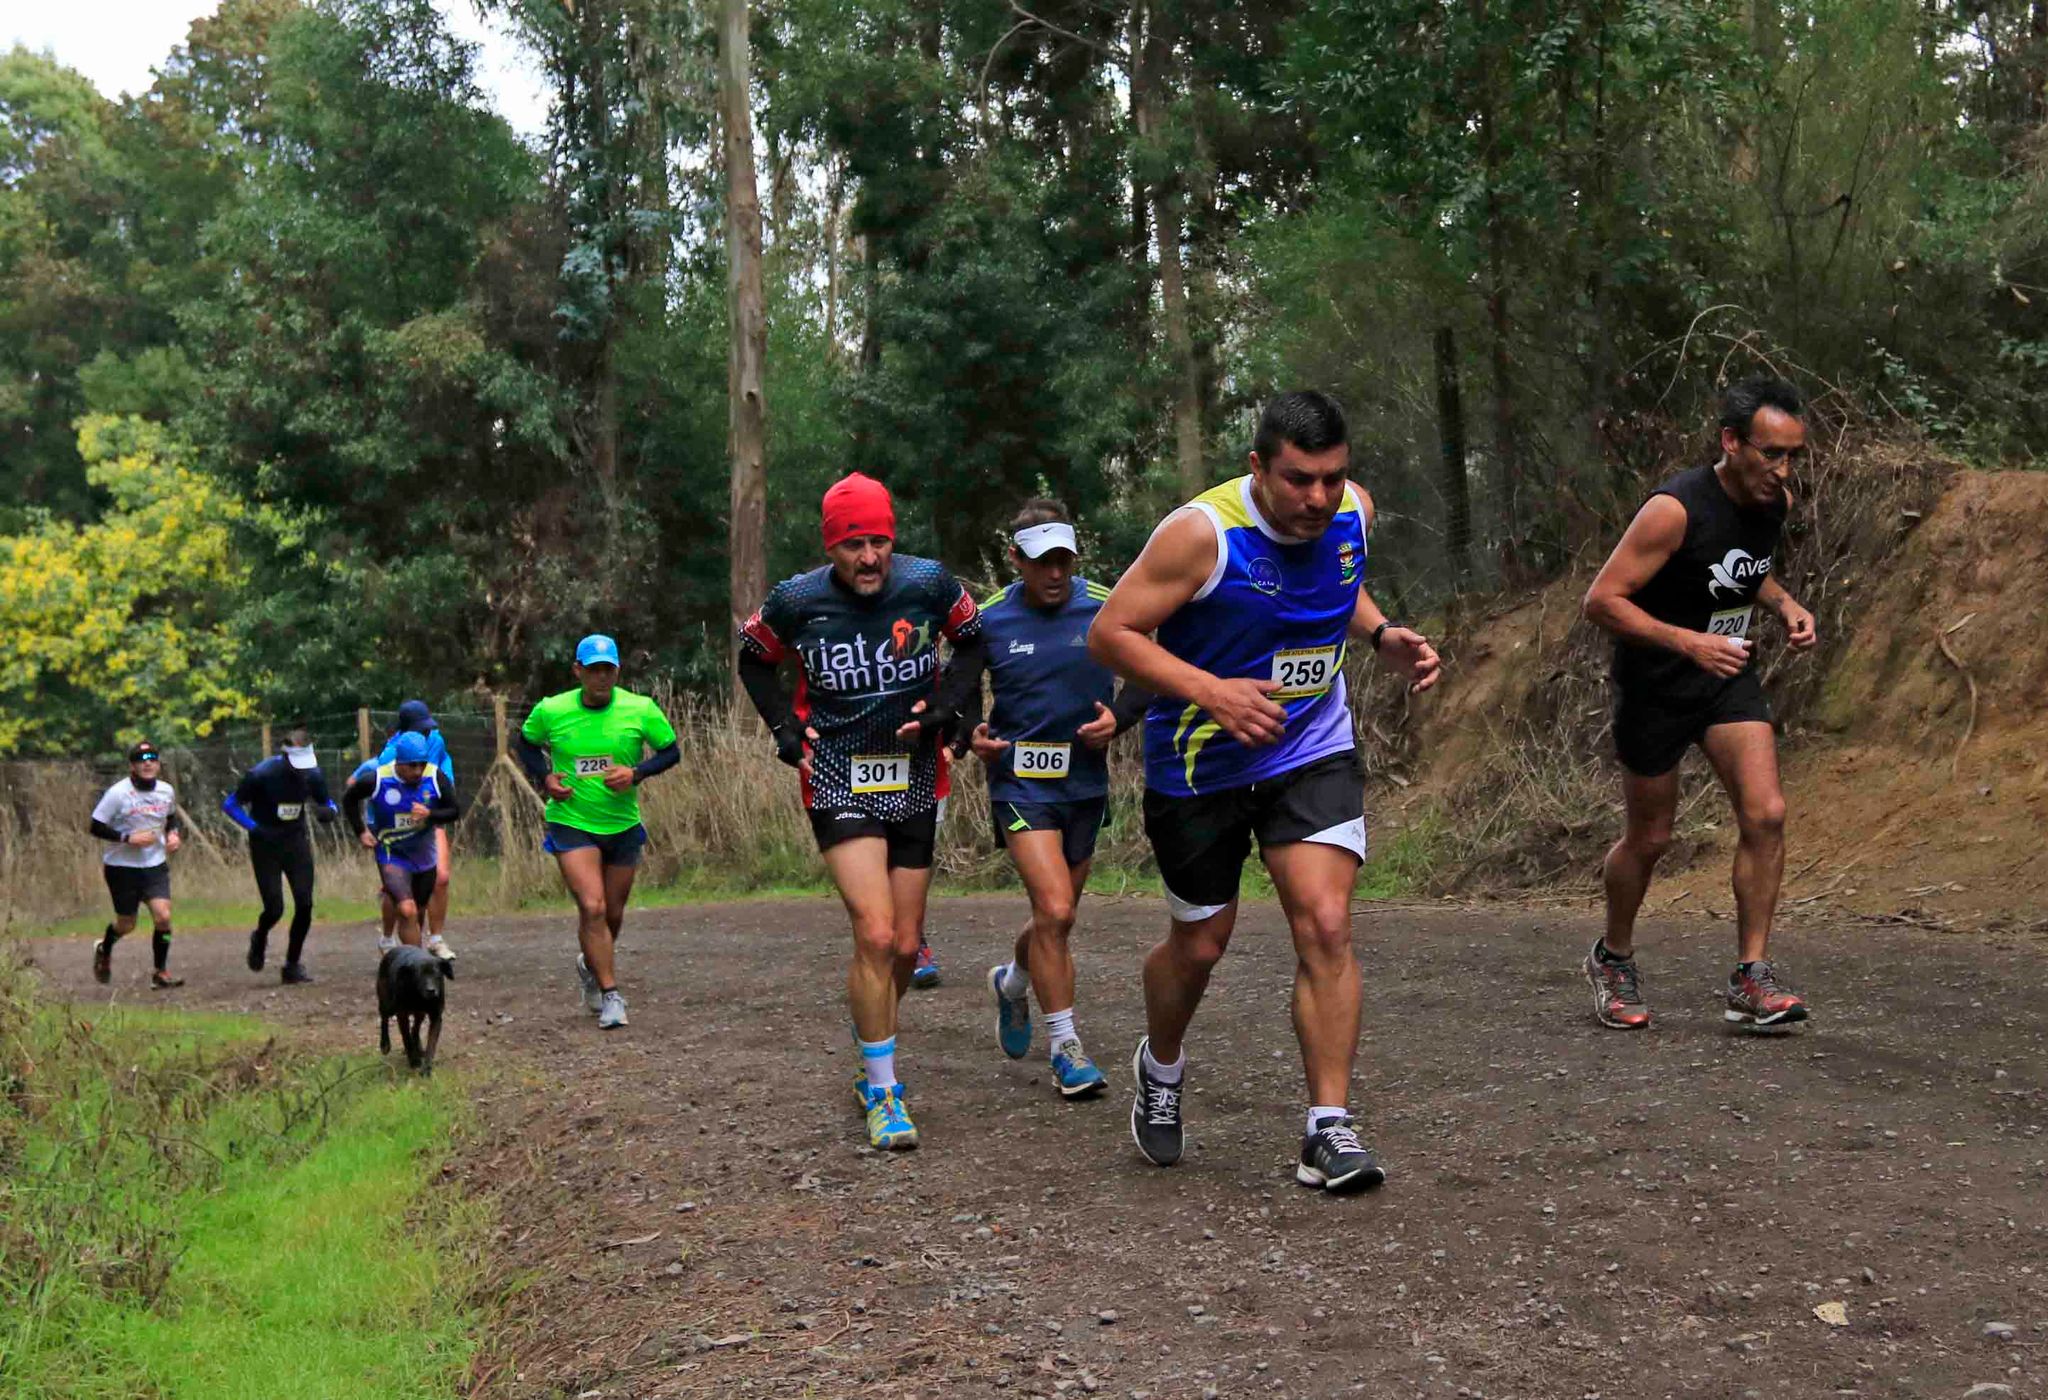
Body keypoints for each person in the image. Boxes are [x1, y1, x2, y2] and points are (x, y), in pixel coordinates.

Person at [1089, 390, 1440, 1193]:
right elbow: (1110, 633)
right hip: (1199, 765)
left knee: (1324, 920)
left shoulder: (1352, 511)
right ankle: (1162, 1064)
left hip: (1310, 748)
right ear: (1257, 467)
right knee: (1201, 945)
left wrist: (1380, 634)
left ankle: (1328, 1128)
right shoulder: (1202, 536)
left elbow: (1333, 588)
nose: (1317, 498)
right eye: (1297, 480)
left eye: (1331, 478)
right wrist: (1210, 691)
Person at [737, 472, 986, 1150]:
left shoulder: (930, 583)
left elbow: (974, 640)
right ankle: (882, 1090)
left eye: (878, 540)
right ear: (832, 548)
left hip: (912, 773)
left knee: (905, 946)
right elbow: (752, 659)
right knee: (875, 934)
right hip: (838, 775)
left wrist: (952, 711)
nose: (869, 557)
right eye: (853, 545)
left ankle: (871, 1024)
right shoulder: (796, 598)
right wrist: (785, 734)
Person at [1581, 374, 1819, 1032]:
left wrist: (1784, 603)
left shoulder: (1773, 502)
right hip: (1656, 682)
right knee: (1651, 837)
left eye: (1793, 454)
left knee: (1766, 813)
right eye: (1771, 453)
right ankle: (1614, 958)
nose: (1783, 468)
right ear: (1730, 442)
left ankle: (1752, 977)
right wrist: (1686, 643)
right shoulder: (1674, 508)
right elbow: (1601, 601)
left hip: (1726, 674)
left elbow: (1746, 565)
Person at [972, 498, 1148, 1099]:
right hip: (1020, 783)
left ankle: (1013, 981)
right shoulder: (988, 618)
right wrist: (971, 733)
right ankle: (1066, 1048)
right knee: (1055, 910)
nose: (1056, 574)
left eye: (1065, 561)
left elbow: (1154, 669)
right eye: (1043, 562)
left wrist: (1119, 719)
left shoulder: (1106, 603)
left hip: (1084, 782)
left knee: (1057, 916)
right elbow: (959, 684)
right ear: (1016, 559)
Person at [514, 635, 681, 1032]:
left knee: (613, 914)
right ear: (578, 671)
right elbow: (524, 744)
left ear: (617, 671)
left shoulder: (640, 709)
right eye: (593, 669)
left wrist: (637, 772)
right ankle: (611, 995)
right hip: (571, 820)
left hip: (622, 824)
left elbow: (671, 751)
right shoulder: (551, 710)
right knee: (592, 907)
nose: (601, 677)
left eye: (608, 669)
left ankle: (590, 963)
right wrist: (545, 777)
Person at [222, 727, 338, 984]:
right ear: (285, 756)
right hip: (265, 845)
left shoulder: (313, 776)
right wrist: (254, 828)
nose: (302, 770)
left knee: (305, 904)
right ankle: (260, 936)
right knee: (274, 908)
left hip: (295, 842)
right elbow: (230, 805)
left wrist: (329, 811)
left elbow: (328, 802)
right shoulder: (261, 775)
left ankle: (292, 965)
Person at [342, 731, 462, 959]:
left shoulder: (435, 778)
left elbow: (454, 810)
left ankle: (408, 958)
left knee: (417, 913)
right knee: (407, 910)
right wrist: (360, 831)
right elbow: (349, 799)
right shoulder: (377, 779)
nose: (417, 771)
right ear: (399, 762)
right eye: (411, 766)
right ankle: (419, 965)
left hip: (424, 856)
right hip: (391, 852)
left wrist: (430, 814)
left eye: (422, 765)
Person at [88, 740, 185, 989]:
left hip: (154, 864)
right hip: (121, 867)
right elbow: (95, 825)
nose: (148, 763)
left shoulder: (166, 791)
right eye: (142, 760)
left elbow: (171, 818)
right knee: (126, 924)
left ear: (158, 765)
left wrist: (173, 834)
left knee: (163, 917)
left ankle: (160, 971)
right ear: (132, 766)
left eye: (152, 759)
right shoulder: (118, 793)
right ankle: (105, 947)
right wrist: (127, 838)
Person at [369, 701, 459, 966]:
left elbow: (443, 770)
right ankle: (389, 939)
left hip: (429, 815)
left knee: (440, 877)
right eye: (420, 729)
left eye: (427, 728)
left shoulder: (435, 740)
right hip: (396, 830)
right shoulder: (389, 756)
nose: (426, 733)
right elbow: (369, 792)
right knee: (398, 893)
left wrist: (435, 808)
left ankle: (434, 939)